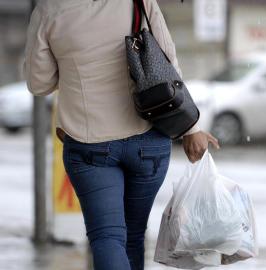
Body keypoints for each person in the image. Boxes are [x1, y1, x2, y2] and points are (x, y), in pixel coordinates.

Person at [24, 0, 220, 269]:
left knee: (107, 237)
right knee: (133, 235)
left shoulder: (50, 9)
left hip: (89, 142)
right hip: (148, 139)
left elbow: (39, 83)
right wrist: (191, 129)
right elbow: (167, 60)